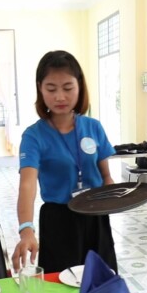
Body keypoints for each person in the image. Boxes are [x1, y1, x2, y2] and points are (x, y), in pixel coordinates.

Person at [11, 50, 117, 274]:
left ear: (79, 86)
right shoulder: (34, 136)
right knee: (61, 284)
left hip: (95, 216)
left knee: (101, 281)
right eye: (51, 89)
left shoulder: (93, 127)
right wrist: (26, 229)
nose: (60, 97)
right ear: (40, 88)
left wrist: (115, 193)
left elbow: (106, 175)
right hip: (58, 220)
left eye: (67, 88)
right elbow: (27, 185)